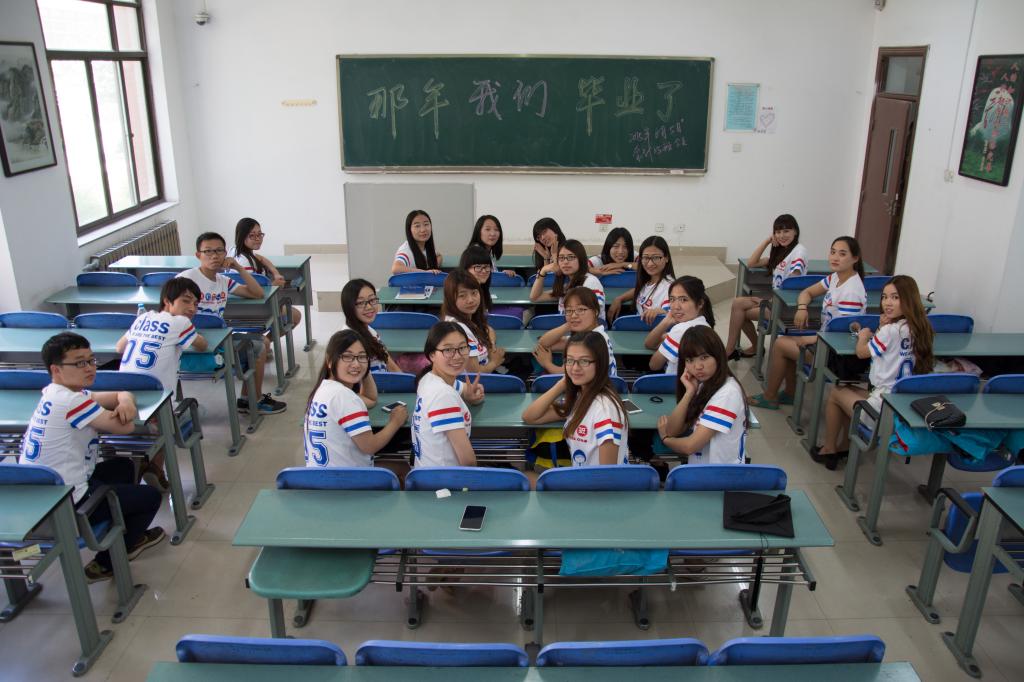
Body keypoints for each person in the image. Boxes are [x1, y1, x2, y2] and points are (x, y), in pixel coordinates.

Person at [19, 332, 165, 583]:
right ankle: (106, 562)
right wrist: (126, 405)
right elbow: (126, 427)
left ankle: (121, 525)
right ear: (56, 369)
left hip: (47, 493)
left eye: (91, 360)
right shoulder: (71, 402)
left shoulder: (55, 393)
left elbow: (113, 395)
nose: (89, 368)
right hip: (65, 506)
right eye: (79, 363)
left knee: (123, 466)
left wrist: (125, 399)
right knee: (150, 497)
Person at [813, 275, 934, 469]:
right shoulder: (921, 328)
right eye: (884, 297)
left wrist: (864, 336)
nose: (887, 302)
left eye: (895, 297)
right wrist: (883, 328)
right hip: (903, 406)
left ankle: (829, 449)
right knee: (848, 389)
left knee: (836, 393)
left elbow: (862, 352)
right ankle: (844, 446)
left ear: (908, 299)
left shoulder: (890, 331)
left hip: (883, 410)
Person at [749, 236, 867, 410]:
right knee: (788, 339)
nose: (835, 257)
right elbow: (807, 292)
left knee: (781, 344)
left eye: (842, 254)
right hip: (826, 342)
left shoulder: (851, 292)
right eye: (833, 252)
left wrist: (813, 338)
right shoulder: (836, 277)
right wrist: (802, 308)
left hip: (836, 354)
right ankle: (789, 393)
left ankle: (770, 397)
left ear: (855, 258)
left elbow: (842, 335)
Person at [116, 277, 209, 491]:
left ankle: (146, 467)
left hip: (122, 403)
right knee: (186, 412)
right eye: (186, 301)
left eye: (196, 304)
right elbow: (202, 345)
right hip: (156, 408)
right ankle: (155, 468)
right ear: (167, 301)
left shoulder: (142, 317)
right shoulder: (181, 323)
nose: (192, 308)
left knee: (158, 417)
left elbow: (119, 347)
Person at [178, 232, 286, 414]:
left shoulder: (223, 281)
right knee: (260, 346)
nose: (214, 256)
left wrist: (238, 267)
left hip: (218, 340)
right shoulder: (186, 280)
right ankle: (252, 401)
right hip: (194, 344)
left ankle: (247, 399)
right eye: (208, 251)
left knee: (261, 342)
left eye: (219, 251)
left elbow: (257, 293)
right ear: (198, 255)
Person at [522, 331, 629, 467]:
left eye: (584, 361)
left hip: (594, 480)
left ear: (600, 363)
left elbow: (608, 474)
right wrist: (562, 383)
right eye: (570, 360)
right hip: (581, 476)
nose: (575, 368)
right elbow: (530, 417)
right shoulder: (581, 397)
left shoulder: (605, 410)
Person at [303, 330, 408, 467]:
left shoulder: (323, 389)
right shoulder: (346, 398)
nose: (356, 363)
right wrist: (395, 422)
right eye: (347, 357)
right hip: (347, 478)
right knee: (401, 467)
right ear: (330, 361)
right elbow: (370, 446)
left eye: (362, 356)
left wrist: (361, 369)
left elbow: (370, 399)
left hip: (319, 475)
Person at [657, 326, 748, 465]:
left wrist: (665, 440)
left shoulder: (728, 393)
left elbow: (690, 446)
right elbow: (672, 430)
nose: (697, 367)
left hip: (719, 475)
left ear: (718, 356)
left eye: (704, 357)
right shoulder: (704, 384)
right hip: (705, 471)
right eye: (690, 360)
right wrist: (689, 393)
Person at [725, 214, 806, 359]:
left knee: (740, 313)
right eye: (778, 232)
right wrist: (767, 241)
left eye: (786, 231)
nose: (782, 235)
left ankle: (735, 351)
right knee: (737, 303)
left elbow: (792, 286)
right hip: (776, 303)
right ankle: (732, 350)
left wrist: (766, 302)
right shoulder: (783, 252)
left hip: (785, 308)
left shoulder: (799, 252)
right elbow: (751, 263)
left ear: (795, 231)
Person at [411, 322, 486, 467]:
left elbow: (464, 388)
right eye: (448, 350)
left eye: (462, 348)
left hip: (427, 473)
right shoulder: (443, 395)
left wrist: (470, 394)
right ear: (432, 355)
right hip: (446, 479)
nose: (457, 356)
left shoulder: (428, 379)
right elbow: (468, 461)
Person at [230, 216, 302, 331]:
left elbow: (261, 259)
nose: (258, 238)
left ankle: (261, 340)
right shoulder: (244, 263)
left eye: (260, 234)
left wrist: (275, 273)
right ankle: (267, 339)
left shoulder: (234, 251)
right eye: (252, 235)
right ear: (242, 236)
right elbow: (251, 292)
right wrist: (273, 285)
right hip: (256, 308)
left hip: (235, 311)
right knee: (295, 316)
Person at [532, 287, 617, 376]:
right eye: (569, 310)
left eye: (581, 310)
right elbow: (544, 343)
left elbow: (565, 374)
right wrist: (569, 325)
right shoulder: (595, 333)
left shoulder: (593, 341)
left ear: (595, 312)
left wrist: (546, 363)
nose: (574, 315)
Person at [440, 268, 506, 373]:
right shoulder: (458, 331)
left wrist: (491, 347)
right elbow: (474, 373)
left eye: (474, 293)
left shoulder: (468, 317)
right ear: (450, 299)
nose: (470, 300)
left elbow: (488, 329)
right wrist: (495, 362)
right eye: (462, 295)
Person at [645, 276, 714, 374]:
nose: (676, 307)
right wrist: (667, 321)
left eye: (683, 300)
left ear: (700, 303)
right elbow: (650, 343)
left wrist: (665, 322)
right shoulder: (704, 323)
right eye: (672, 299)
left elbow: (654, 365)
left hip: (675, 382)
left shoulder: (680, 330)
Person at [608, 236, 675, 323]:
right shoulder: (649, 280)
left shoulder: (670, 287)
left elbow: (672, 311)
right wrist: (619, 299)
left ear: (666, 258)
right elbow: (640, 289)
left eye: (656, 258)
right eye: (646, 258)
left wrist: (660, 311)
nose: (650, 264)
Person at [340, 278, 401, 375]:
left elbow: (390, 364)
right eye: (360, 303)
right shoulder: (349, 342)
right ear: (349, 307)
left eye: (372, 300)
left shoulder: (370, 331)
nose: (369, 307)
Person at [529, 239, 605, 316]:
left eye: (571, 257)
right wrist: (543, 271)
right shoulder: (567, 286)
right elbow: (535, 297)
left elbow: (590, 318)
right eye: (561, 258)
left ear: (581, 259)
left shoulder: (590, 282)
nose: (565, 262)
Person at [392, 209, 443, 274]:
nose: (423, 230)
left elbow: (439, 256)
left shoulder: (426, 247)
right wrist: (425, 273)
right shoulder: (406, 250)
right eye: (417, 226)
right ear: (409, 230)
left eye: (426, 224)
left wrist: (432, 269)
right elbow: (396, 268)